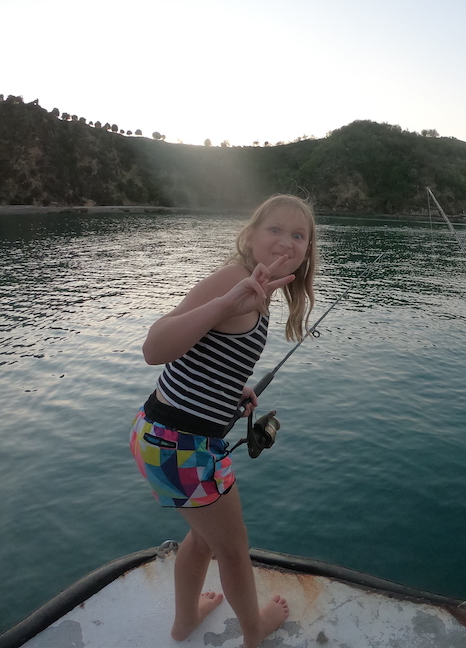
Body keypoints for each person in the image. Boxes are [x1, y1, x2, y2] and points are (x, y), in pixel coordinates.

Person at [129, 194, 317, 648]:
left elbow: (209, 356)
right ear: (251, 236)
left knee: (203, 540)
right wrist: (227, 302)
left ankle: (183, 622)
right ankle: (254, 635)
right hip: (180, 445)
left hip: (172, 438)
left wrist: (234, 390)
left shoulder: (261, 289)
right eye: (274, 229)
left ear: (307, 251)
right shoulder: (235, 281)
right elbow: (155, 347)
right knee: (233, 550)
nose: (285, 242)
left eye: (298, 235)